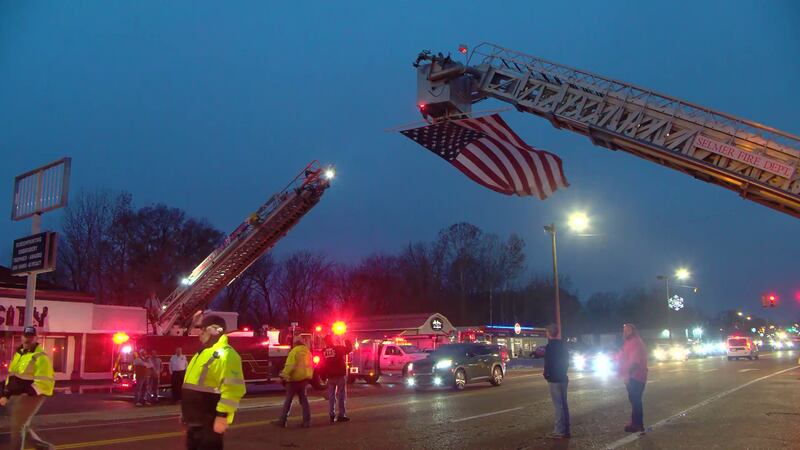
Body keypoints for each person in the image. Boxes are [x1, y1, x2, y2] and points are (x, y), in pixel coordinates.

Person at [182, 315, 245, 450]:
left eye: (203, 330)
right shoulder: (202, 353)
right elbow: (191, 385)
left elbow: (233, 390)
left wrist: (222, 416)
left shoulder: (228, 355)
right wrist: (185, 412)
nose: (200, 334)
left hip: (210, 422)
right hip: (195, 422)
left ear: (216, 330)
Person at [0, 326, 55, 450]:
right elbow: (12, 375)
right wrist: (6, 394)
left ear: (36, 338)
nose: (27, 339)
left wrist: (29, 392)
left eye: (31, 337)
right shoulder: (19, 354)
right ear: (22, 337)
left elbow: (45, 381)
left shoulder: (41, 356)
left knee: (18, 425)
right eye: (26, 336)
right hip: (18, 394)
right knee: (21, 424)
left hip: (32, 395)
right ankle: (43, 447)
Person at [275, 336, 313, 428]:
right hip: (304, 380)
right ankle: (306, 421)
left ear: (295, 343)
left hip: (293, 380)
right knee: (304, 401)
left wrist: (282, 377)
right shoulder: (308, 352)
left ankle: (283, 421)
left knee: (288, 401)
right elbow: (311, 365)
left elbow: (289, 366)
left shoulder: (294, 351)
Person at [618, 323, 648, 433]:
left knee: (636, 400)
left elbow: (635, 362)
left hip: (636, 376)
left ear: (633, 332)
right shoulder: (628, 343)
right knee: (634, 400)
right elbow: (621, 356)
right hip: (633, 376)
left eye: (628, 331)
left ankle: (638, 424)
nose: (625, 333)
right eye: (624, 331)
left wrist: (628, 375)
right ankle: (635, 422)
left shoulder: (635, 343)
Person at [541, 323, 570, 439]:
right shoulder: (562, 345)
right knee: (564, 404)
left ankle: (559, 431)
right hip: (563, 377)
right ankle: (566, 429)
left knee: (558, 405)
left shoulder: (549, 347)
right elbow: (566, 361)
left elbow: (548, 364)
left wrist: (546, 375)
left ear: (548, 333)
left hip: (554, 379)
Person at [321, 334, 353, 423]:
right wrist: (347, 340)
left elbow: (322, 365)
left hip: (330, 376)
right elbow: (349, 349)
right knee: (341, 395)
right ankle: (341, 415)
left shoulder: (324, 351)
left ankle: (331, 414)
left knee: (331, 396)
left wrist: (323, 376)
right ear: (332, 340)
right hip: (339, 375)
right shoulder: (338, 349)